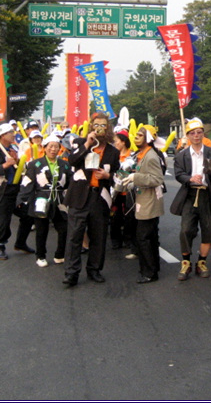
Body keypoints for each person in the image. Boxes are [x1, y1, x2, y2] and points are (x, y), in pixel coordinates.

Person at [62, 112, 120, 287]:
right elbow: (72, 160)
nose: (100, 128)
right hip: (79, 196)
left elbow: (118, 176)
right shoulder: (80, 143)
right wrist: (88, 142)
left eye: (103, 125)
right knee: (74, 236)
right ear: (91, 126)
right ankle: (71, 273)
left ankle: (94, 269)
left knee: (99, 236)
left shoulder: (113, 151)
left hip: (100, 197)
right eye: (97, 125)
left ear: (108, 128)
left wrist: (108, 175)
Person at [170, 117, 211, 281]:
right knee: (186, 230)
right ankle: (186, 261)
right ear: (188, 136)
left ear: (203, 134)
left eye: (199, 132)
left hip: (207, 194)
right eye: (192, 133)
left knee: (209, 230)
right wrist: (190, 178)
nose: (196, 136)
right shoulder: (182, 155)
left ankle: (201, 262)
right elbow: (178, 174)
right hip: (189, 195)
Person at [0, 122, 35, 261]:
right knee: (4, 221)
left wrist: (16, 160)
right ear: (3, 135)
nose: (14, 134)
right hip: (1, 192)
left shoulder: (12, 149)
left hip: (15, 190)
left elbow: (17, 169)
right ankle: (0, 246)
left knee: (28, 215)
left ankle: (21, 243)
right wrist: (6, 164)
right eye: (11, 132)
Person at [17, 134, 72, 267]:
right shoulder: (35, 164)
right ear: (44, 147)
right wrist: (21, 198)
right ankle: (40, 255)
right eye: (51, 146)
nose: (53, 149)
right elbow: (27, 181)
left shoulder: (64, 164)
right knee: (42, 230)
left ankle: (59, 254)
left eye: (56, 146)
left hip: (59, 199)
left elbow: (70, 183)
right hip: (41, 199)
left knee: (63, 228)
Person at [121, 125, 165, 284]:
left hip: (149, 202)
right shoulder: (141, 154)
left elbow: (157, 179)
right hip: (143, 200)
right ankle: (152, 269)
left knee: (144, 238)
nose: (135, 138)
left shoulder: (151, 156)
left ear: (148, 139)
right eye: (136, 135)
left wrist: (135, 178)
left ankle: (149, 272)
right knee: (149, 237)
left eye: (140, 135)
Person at [110, 128, 138, 258]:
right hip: (115, 191)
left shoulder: (133, 156)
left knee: (129, 217)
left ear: (124, 142)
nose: (115, 143)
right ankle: (115, 240)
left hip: (129, 191)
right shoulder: (113, 155)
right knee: (115, 216)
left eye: (117, 141)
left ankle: (128, 239)